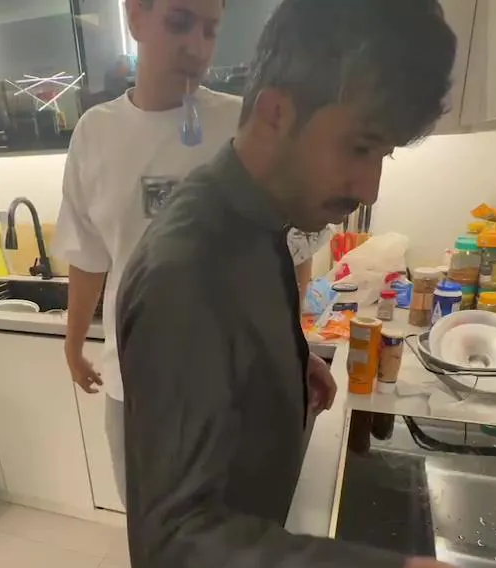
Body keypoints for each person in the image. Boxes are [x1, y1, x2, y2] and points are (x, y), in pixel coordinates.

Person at [115, 1, 496, 568]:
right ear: (276, 112)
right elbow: (175, 530)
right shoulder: (186, 269)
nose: (370, 186)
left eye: (383, 155)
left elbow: (231, 339)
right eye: (361, 147)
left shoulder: (253, 216)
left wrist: (287, 359)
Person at [54, 0, 334, 517]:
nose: (197, 47)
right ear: (135, 16)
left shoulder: (244, 124)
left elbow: (290, 250)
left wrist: (291, 352)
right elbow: (87, 254)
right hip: (136, 381)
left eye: (210, 30)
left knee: (237, 528)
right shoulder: (96, 133)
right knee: (148, 525)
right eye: (179, 23)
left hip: (235, 385)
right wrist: (73, 344)